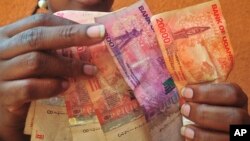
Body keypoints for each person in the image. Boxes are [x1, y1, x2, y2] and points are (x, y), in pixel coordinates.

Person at [0, 0, 249, 141]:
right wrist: (7, 129)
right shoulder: (7, 73)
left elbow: (239, 132)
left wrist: (241, 132)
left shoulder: (178, 71)